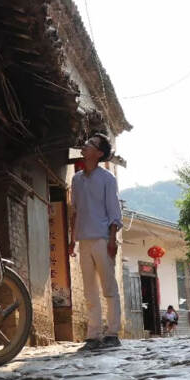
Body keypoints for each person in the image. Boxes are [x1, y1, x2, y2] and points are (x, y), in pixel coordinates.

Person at [67, 133, 123, 351]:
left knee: (109, 288)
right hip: (84, 240)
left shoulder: (108, 178)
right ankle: (93, 334)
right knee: (90, 290)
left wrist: (112, 240)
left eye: (90, 144)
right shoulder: (76, 179)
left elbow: (114, 212)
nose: (85, 146)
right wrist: (72, 240)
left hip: (102, 239)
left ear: (99, 153)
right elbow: (75, 212)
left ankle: (112, 332)